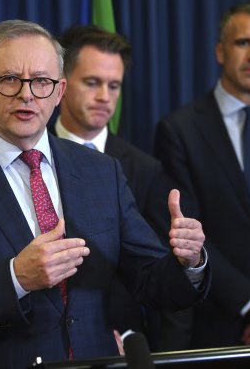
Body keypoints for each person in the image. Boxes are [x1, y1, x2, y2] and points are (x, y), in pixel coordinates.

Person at [0, 20, 210, 369]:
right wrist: (15, 278)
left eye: (41, 81)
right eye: (9, 79)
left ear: (59, 91)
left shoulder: (101, 171)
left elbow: (152, 282)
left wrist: (189, 261)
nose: (27, 94)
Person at [155, 2, 250, 349]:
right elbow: (189, 235)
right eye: (243, 43)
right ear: (220, 51)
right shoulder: (179, 131)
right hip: (219, 328)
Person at [51, 24, 178, 347]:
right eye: (92, 83)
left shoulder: (144, 169)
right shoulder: (28, 156)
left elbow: (156, 273)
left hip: (122, 344)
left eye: (114, 85)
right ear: (62, 84)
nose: (104, 97)